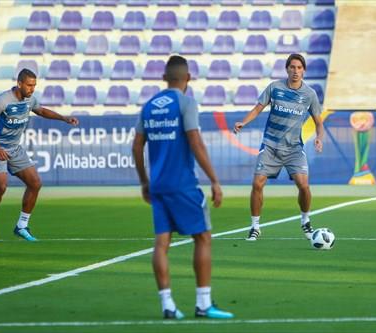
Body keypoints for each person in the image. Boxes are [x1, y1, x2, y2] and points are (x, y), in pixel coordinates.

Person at [132, 55, 233, 320]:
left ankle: (167, 305)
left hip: (158, 186)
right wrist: (214, 179)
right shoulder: (186, 103)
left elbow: (136, 145)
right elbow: (195, 141)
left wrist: (144, 181)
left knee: (161, 242)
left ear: (165, 78)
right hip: (183, 184)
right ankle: (203, 303)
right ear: (187, 78)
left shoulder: (149, 106)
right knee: (202, 237)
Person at [233, 53, 324, 241]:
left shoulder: (309, 94)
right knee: (257, 184)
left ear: (304, 70)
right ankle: (255, 227)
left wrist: (319, 138)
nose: (296, 71)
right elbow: (258, 108)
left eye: (299, 68)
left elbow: (318, 121)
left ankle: (305, 221)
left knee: (304, 186)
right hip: (270, 145)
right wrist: (244, 122)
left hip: (294, 149)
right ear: (287, 69)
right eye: (292, 67)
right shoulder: (275, 88)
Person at [0, 69, 79, 242]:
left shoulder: (30, 99)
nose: (32, 89)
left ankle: (22, 226)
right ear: (19, 83)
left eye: (34, 85)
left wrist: (64, 118)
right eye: (29, 85)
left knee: (35, 183)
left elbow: (41, 111)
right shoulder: (3, 100)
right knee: (1, 186)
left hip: (14, 148)